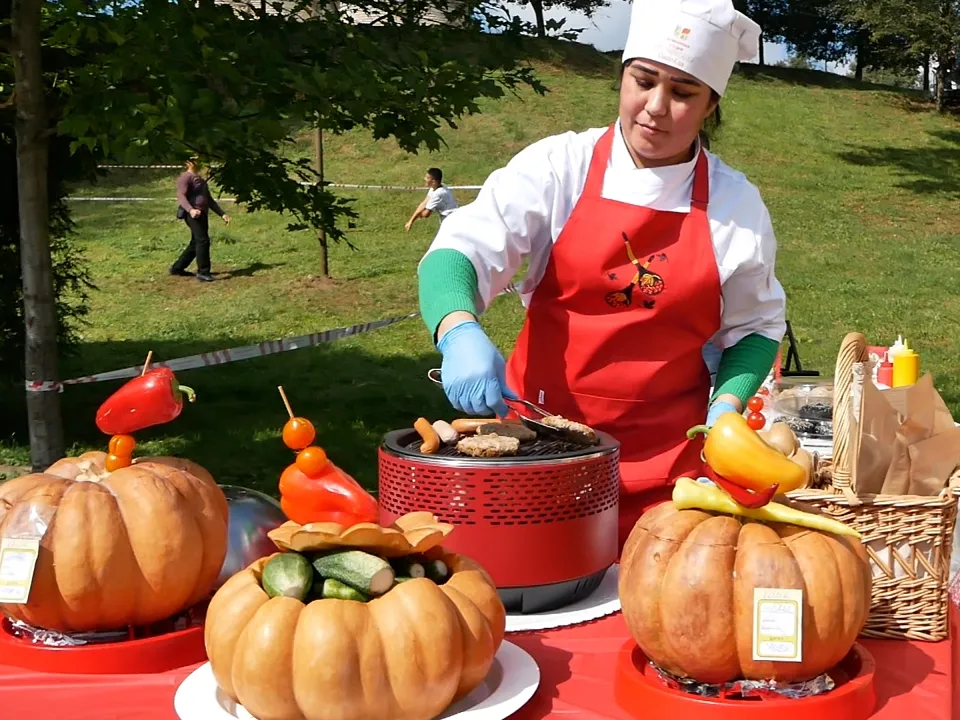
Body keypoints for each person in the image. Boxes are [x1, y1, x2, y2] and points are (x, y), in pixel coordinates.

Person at [417, 0, 787, 549]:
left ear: (711, 105)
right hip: (534, 458)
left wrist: (726, 409)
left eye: (683, 92)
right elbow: (461, 250)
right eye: (643, 81)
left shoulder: (735, 205)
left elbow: (755, 328)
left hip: (671, 482)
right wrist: (458, 331)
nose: (655, 107)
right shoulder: (556, 168)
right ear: (622, 76)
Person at [170, 157, 230, 282]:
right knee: (203, 241)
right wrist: (191, 210)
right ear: (189, 162)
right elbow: (181, 196)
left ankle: (177, 268)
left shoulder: (200, 180)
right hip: (193, 215)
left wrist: (222, 214)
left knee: (196, 242)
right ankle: (203, 272)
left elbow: (209, 200)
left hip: (202, 214)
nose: (199, 163)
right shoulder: (186, 178)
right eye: (196, 160)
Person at [405, 168, 459, 232]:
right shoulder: (436, 188)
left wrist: (419, 216)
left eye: (427, 178)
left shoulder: (438, 193)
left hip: (451, 222)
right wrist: (411, 221)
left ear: (433, 181)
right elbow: (424, 203)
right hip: (450, 219)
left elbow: (426, 214)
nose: (424, 179)